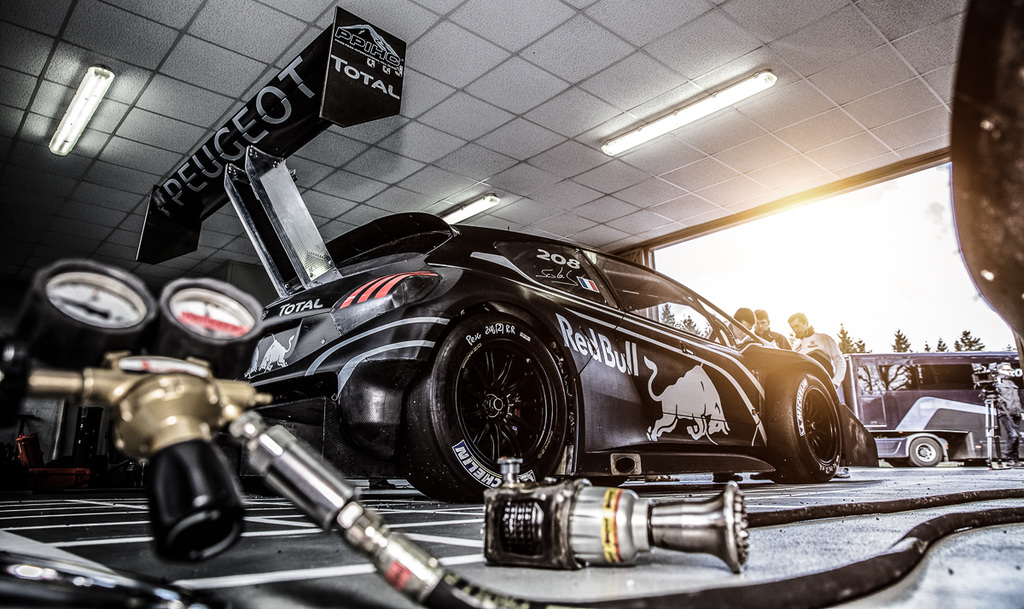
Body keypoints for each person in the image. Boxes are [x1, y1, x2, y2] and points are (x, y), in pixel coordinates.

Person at [788, 312, 849, 479]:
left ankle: (841, 466)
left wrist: (835, 382)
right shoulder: (796, 348)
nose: (795, 330)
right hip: (808, 396)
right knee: (814, 429)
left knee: (834, 426)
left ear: (806, 323)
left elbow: (840, 361)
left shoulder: (824, 339)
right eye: (792, 328)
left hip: (826, 390)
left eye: (797, 326)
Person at [995, 362, 1022, 466]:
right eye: (1007, 370)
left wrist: (1021, 412)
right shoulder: (997, 383)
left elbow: (1017, 399)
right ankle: (1009, 458)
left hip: (1016, 412)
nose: (1010, 372)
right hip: (1005, 413)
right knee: (1013, 434)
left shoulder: (1011, 382)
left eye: (1010, 370)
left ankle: (1016, 458)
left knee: (1017, 436)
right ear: (1000, 370)